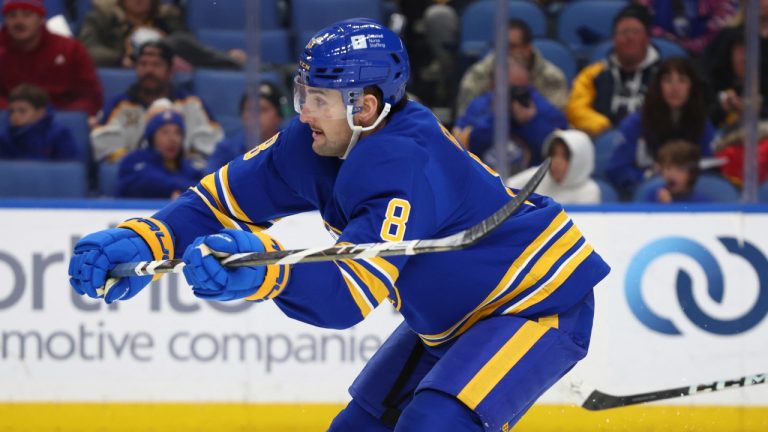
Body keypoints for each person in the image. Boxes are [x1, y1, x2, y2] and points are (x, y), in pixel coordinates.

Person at [68, 18, 609, 431]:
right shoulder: (313, 141)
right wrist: (146, 236)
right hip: (452, 317)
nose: (303, 112)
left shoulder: (402, 164)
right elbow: (218, 200)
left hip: (536, 306)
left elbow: (350, 296)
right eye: (303, 94)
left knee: (434, 424)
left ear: (367, 106)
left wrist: (269, 275)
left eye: (318, 100)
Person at [90, 40, 223, 165]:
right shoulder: (118, 105)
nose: (149, 70)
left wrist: (180, 168)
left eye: (156, 65)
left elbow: (211, 145)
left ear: (170, 70)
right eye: (143, 64)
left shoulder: (193, 105)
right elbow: (103, 142)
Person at [606, 57, 714, 196]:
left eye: (682, 80)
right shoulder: (636, 122)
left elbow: (708, 166)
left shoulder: (702, 122)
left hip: (689, 197)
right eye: (668, 80)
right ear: (658, 85)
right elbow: (616, 168)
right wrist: (650, 179)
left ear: (691, 87)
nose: (675, 88)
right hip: (646, 198)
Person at [453, 56, 568, 169]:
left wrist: (531, 122)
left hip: (529, 181)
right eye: (511, 90)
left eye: (521, 89)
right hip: (485, 179)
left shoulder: (542, 108)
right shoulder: (478, 107)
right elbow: (465, 147)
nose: (515, 96)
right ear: (494, 85)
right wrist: (496, 118)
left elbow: (555, 150)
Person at [565, 4, 661, 136]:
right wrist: (605, 128)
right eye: (624, 32)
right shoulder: (593, 73)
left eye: (635, 32)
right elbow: (575, 108)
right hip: (601, 140)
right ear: (614, 40)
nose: (629, 38)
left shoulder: (663, 74)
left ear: (647, 38)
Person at [0, 0, 103, 116]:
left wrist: (61, 117)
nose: (19, 22)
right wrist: (16, 112)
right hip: (11, 123)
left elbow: (91, 96)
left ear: (41, 18)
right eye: (12, 15)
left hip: (61, 123)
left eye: (27, 14)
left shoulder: (70, 49)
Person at [79, 0, 244, 70]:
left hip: (168, 80)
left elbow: (192, 49)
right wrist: (120, 58)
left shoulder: (167, 18)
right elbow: (87, 52)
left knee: (177, 42)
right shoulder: (101, 18)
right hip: (127, 79)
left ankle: (229, 60)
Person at [456, 18, 569, 117]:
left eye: (511, 46)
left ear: (527, 49)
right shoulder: (478, 74)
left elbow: (556, 123)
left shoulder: (552, 77)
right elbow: (464, 121)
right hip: (487, 137)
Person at [116, 99, 203, 199]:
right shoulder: (133, 161)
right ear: (152, 137)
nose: (172, 139)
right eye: (164, 132)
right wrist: (179, 190)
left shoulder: (190, 168)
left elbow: (205, 191)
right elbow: (144, 182)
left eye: (178, 133)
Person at [205, 82, 287, 173]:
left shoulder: (290, 146)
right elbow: (209, 182)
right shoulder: (226, 149)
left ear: (279, 116)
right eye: (249, 109)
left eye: (262, 109)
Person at [506, 130, 601, 204]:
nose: (556, 162)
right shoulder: (538, 176)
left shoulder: (589, 192)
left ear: (580, 160)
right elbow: (505, 187)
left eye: (565, 156)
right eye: (553, 154)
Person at [0, 84, 79, 160]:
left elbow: (71, 167)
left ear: (40, 112)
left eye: (22, 111)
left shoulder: (60, 134)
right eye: (11, 111)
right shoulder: (4, 138)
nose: (15, 116)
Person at [633, 0, 739, 55]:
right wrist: (671, 44)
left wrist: (690, 46)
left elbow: (723, 24)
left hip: (706, 55)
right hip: (661, 52)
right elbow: (642, 20)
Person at [636, 139, 709, 203]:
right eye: (667, 168)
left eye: (679, 169)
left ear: (692, 172)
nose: (671, 174)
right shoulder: (652, 197)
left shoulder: (702, 202)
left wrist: (670, 206)